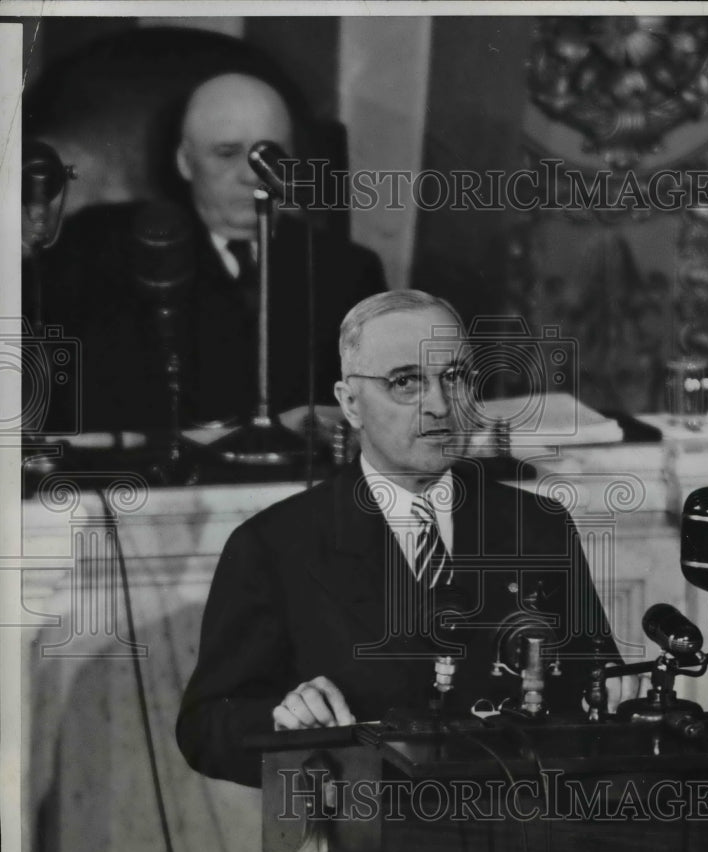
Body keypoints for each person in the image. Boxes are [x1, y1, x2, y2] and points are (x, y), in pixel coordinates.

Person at [176, 290, 627, 788]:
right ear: (350, 403)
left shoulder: (536, 524)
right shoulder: (275, 545)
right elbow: (206, 726)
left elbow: (598, 680)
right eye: (406, 382)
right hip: (367, 824)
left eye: (454, 377)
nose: (440, 406)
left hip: (522, 822)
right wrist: (283, 720)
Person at [28, 72, 385, 434]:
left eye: (271, 155)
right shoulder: (100, 249)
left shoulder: (350, 271)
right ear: (185, 161)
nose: (253, 175)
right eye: (227, 154)